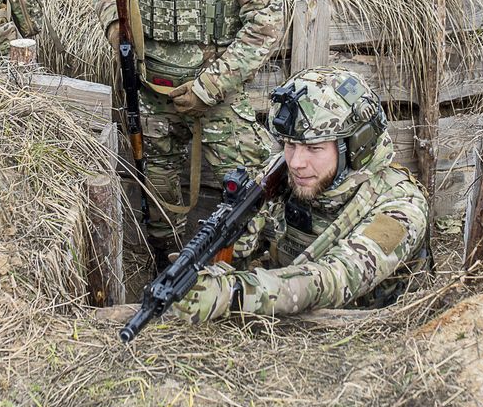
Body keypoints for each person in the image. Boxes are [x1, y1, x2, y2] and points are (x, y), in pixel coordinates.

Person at [93, 0, 286, 265]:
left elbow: (266, 25)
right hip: (152, 92)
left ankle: (254, 275)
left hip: (217, 97)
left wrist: (208, 87)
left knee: (253, 192)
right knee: (156, 193)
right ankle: (165, 268)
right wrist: (115, 25)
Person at [171, 67, 431, 321]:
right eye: (290, 145)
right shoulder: (281, 175)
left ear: (355, 147)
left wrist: (236, 294)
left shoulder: (401, 206)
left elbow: (339, 277)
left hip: (373, 339)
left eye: (314, 148)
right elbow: (246, 240)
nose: (296, 162)